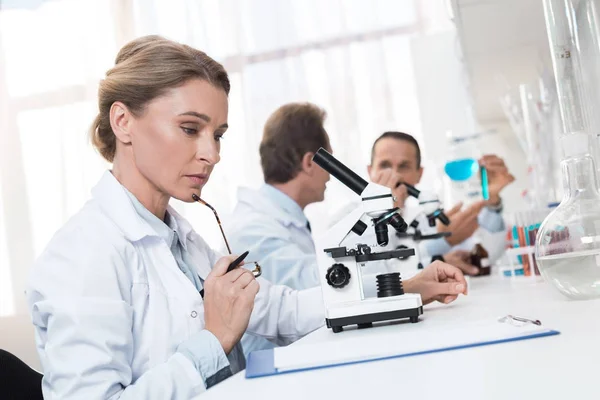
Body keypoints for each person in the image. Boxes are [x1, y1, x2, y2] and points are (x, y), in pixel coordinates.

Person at [26, 37, 468, 398]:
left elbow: (281, 310)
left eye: (217, 135)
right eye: (189, 129)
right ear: (123, 122)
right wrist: (212, 341)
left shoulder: (180, 237)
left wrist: (404, 289)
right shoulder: (83, 255)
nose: (211, 154)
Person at [227, 103, 469, 356]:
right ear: (311, 162)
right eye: (330, 161)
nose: (330, 177)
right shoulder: (254, 229)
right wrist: (407, 286)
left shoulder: (286, 221)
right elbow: (325, 288)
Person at [367, 131, 515, 275]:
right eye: (384, 165)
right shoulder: (349, 221)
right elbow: (370, 273)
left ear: (419, 174)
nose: (395, 175)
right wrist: (441, 248)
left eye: (404, 166)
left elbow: (487, 256)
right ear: (370, 171)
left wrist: (492, 200)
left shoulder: (427, 219)